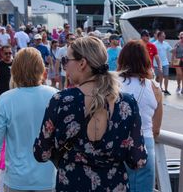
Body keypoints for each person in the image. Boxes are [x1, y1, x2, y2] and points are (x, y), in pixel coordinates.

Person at [33, 36, 147, 191]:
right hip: (114, 185)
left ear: (82, 63)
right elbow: (138, 160)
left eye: (67, 60)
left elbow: (42, 153)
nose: (65, 65)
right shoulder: (127, 103)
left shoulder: (61, 101)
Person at [0, 48, 57, 192]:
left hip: (16, 180)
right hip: (49, 179)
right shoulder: (55, 96)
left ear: (14, 71)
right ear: (42, 70)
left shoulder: (6, 100)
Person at [118, 40, 163, 191]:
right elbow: (156, 129)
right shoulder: (155, 87)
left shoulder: (112, 84)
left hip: (116, 145)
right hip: (145, 145)